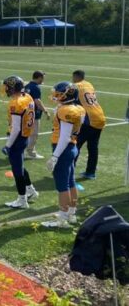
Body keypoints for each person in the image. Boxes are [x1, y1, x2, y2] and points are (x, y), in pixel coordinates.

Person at [42, 82, 86, 228]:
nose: (56, 96)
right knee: (71, 181)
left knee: (62, 185)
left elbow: (65, 137)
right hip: (72, 146)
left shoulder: (66, 110)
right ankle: (71, 213)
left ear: (67, 95)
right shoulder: (78, 108)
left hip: (64, 148)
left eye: (59, 94)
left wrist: (55, 157)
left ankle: (62, 219)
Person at [0, 76, 39, 209]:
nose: (5, 89)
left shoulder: (16, 103)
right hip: (24, 136)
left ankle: (22, 200)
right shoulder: (27, 96)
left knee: (17, 170)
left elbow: (16, 128)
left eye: (7, 87)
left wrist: (7, 145)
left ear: (12, 88)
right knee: (20, 166)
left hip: (17, 138)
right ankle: (31, 190)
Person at [72, 70, 106, 180]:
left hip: (89, 120)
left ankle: (70, 171)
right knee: (93, 147)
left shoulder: (75, 86)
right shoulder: (89, 84)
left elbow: (73, 102)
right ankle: (91, 172)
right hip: (100, 116)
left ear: (76, 77)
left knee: (75, 145)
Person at [24, 71, 51, 159]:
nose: (43, 79)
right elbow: (37, 101)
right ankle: (30, 152)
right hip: (34, 114)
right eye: (43, 78)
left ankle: (24, 150)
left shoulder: (27, 86)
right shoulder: (36, 87)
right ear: (39, 77)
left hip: (26, 112)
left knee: (27, 133)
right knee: (34, 134)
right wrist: (46, 111)